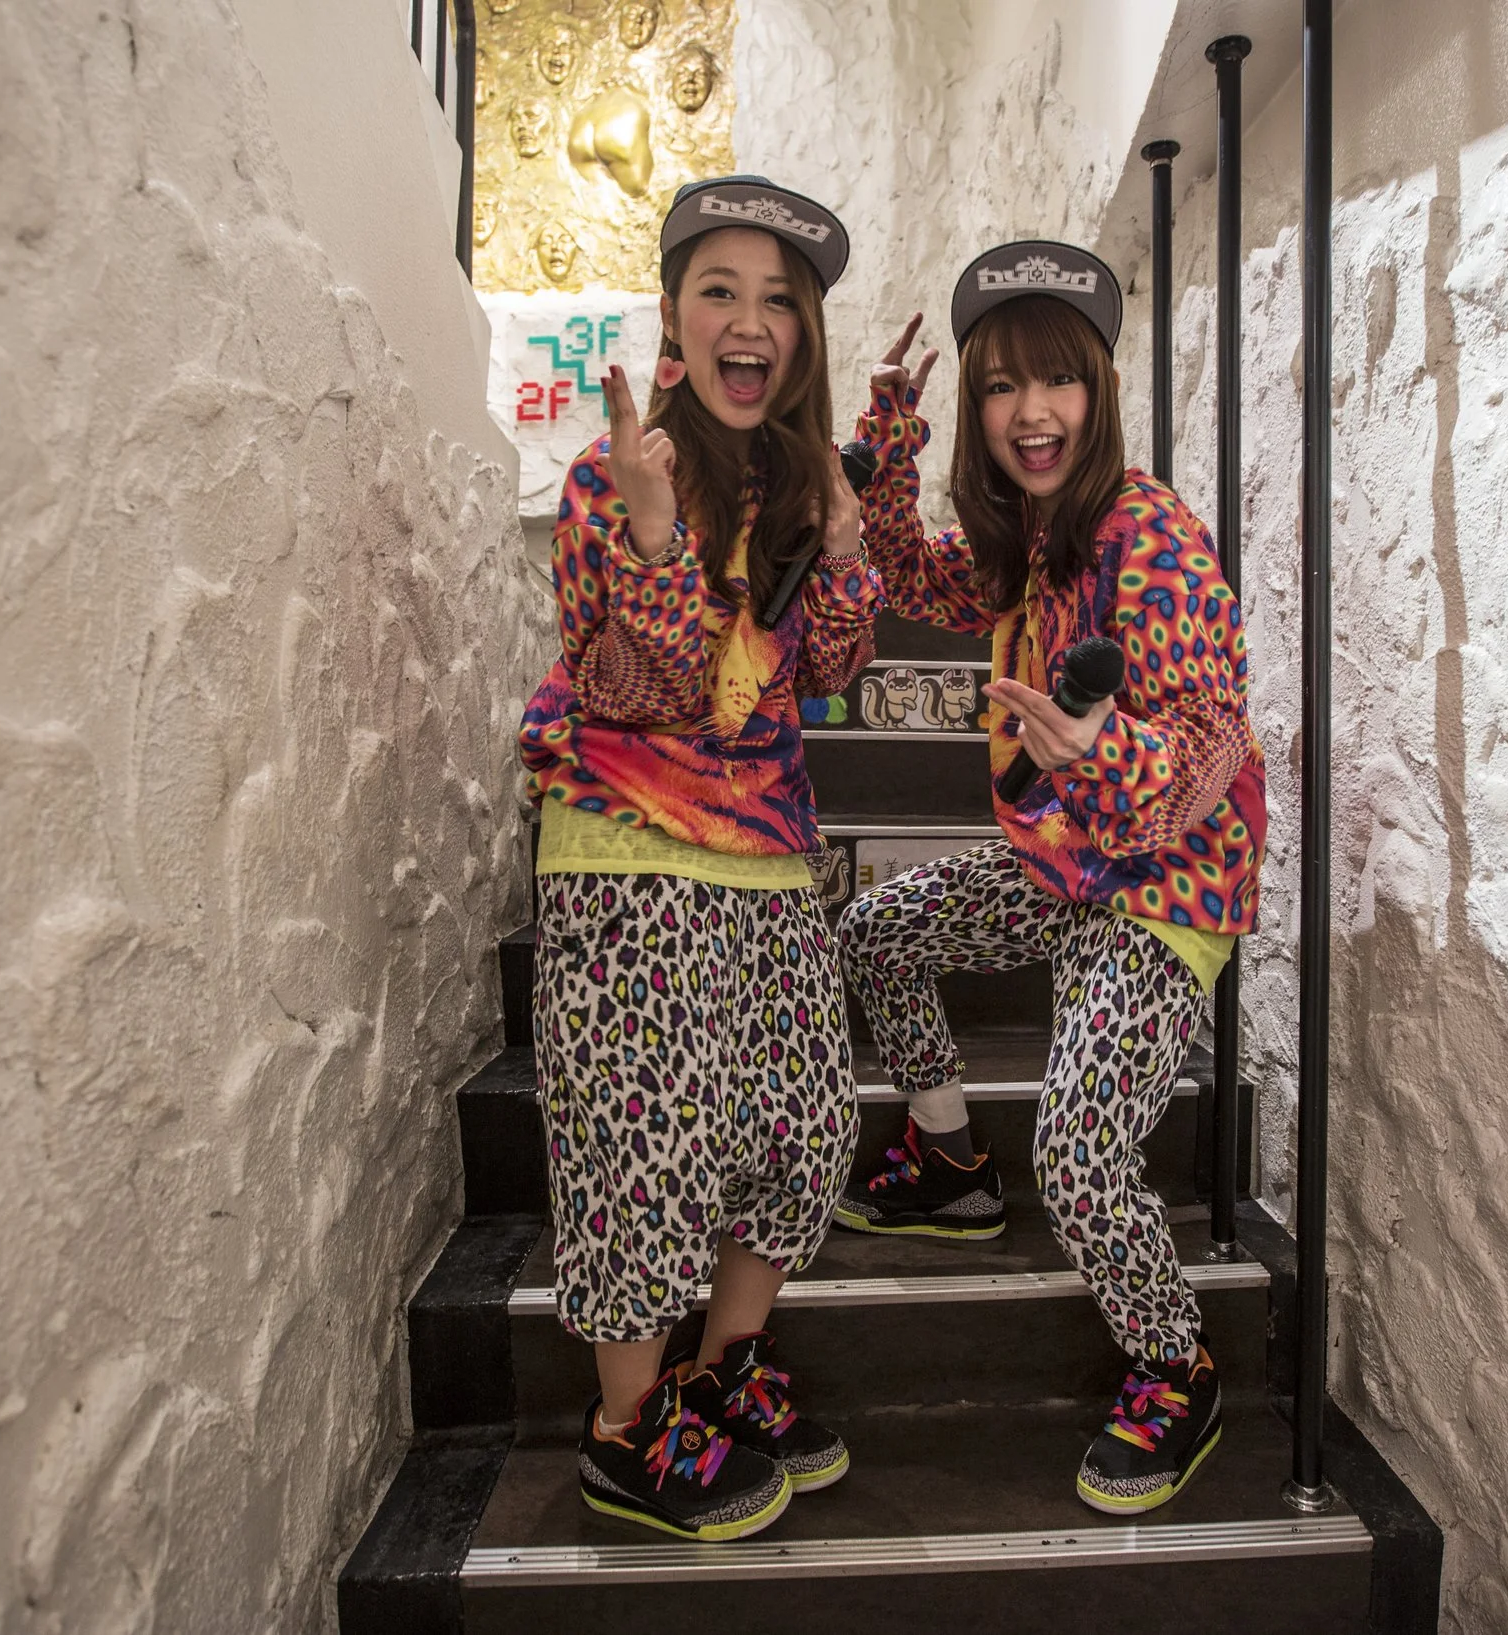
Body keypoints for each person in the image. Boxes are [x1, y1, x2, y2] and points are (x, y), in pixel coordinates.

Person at [835, 240, 1266, 1516]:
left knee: (1079, 1156)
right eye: (1001, 387)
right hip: (1065, 860)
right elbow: (914, 579)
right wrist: (890, 437)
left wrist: (1101, 748)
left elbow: (1204, 756)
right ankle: (952, 1166)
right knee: (874, 933)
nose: (1032, 414)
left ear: (1100, 392)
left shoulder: (1152, 535)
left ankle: (1175, 1368)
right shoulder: (1029, 539)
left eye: (1058, 384)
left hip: (1163, 886)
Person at [517, 176, 877, 1541]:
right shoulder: (611, 474)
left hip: (773, 851)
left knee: (805, 1132)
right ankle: (625, 1419)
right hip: (629, 848)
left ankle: (722, 1371)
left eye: (779, 298)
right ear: (674, 311)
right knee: (645, 1144)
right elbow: (638, 682)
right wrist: (658, 532)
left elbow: (832, 671)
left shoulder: (798, 479)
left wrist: (843, 553)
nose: (751, 319)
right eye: (720, 287)